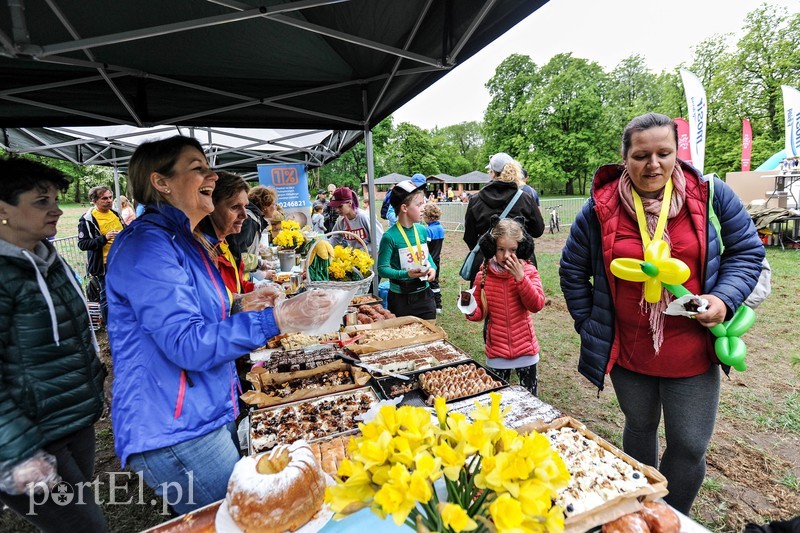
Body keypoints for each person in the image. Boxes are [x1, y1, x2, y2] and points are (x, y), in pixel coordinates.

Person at [105, 136, 339, 514]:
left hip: (204, 409)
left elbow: (190, 313)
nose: (212, 175)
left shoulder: (184, 239)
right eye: (197, 167)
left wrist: (237, 303)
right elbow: (186, 342)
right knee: (244, 519)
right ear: (161, 182)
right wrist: (276, 318)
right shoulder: (148, 245)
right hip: (176, 427)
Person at [559, 112, 765, 514]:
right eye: (640, 155)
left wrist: (723, 298)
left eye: (663, 153)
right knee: (639, 428)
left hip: (692, 350)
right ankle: (641, 508)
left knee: (689, 444)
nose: (652, 165)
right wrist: (589, 325)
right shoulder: (600, 208)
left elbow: (747, 251)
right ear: (624, 158)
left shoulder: (709, 194)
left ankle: (674, 516)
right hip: (630, 352)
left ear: (676, 154)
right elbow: (571, 269)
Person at [0, 157, 107, 532]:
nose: (57, 209)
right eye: (41, 201)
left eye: (56, 199)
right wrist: (17, 453)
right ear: (3, 210)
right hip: (28, 436)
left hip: (71, 419)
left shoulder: (49, 259)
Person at [460, 218, 544, 396]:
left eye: (512, 250)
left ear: (521, 249)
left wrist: (521, 279)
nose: (506, 256)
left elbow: (536, 305)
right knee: (498, 403)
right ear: (491, 248)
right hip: (497, 353)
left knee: (530, 401)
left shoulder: (528, 271)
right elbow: (479, 313)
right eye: (500, 249)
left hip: (526, 352)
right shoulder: (483, 276)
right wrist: (467, 307)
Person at [463, 153, 544, 284]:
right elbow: (538, 230)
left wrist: (489, 248)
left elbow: (469, 237)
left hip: (485, 266)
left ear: (492, 172)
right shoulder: (525, 199)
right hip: (519, 263)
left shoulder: (475, 200)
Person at [377, 179, 437, 320]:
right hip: (401, 300)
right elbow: (382, 269)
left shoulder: (422, 230)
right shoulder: (389, 237)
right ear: (404, 208)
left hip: (425, 296)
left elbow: (427, 257)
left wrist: (433, 268)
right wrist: (406, 274)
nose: (424, 208)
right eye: (419, 204)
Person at [198, 170, 255, 296]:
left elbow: (235, 286)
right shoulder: (201, 251)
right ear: (210, 207)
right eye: (235, 207)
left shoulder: (227, 241)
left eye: (245, 206)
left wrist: (257, 289)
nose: (244, 215)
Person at [77, 185, 125, 323]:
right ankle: (112, 327)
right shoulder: (87, 219)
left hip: (121, 262)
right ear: (94, 200)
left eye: (110, 197)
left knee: (122, 292)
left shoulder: (115, 214)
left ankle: (123, 321)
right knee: (107, 296)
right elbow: (83, 244)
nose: (109, 200)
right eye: (104, 198)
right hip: (104, 265)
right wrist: (104, 238)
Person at [227, 185, 275, 275]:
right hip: (237, 277)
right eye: (273, 204)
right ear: (265, 206)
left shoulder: (254, 220)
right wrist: (259, 263)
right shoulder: (249, 221)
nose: (274, 208)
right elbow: (238, 255)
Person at [327, 186, 383, 254]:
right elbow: (335, 237)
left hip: (372, 260)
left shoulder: (364, 217)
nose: (337, 210)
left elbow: (379, 242)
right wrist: (326, 246)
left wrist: (359, 253)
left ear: (350, 203)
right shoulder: (341, 220)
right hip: (355, 260)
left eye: (340, 206)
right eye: (335, 207)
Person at [422, 202, 444, 313]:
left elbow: (425, 247)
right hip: (437, 259)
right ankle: (438, 305)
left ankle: (433, 304)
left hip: (429, 260)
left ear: (428, 217)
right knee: (435, 282)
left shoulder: (428, 230)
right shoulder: (440, 228)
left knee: (428, 282)